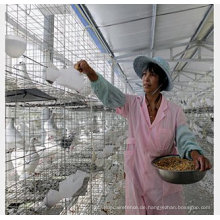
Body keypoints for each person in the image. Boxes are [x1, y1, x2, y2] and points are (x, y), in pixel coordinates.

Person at [74, 56, 212, 215]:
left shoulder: (175, 111)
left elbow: (185, 138)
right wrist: (90, 73)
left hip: (163, 183)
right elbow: (111, 95)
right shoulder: (132, 104)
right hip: (137, 177)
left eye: (152, 75)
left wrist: (195, 154)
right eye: (144, 74)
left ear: (162, 80)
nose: (146, 79)